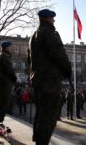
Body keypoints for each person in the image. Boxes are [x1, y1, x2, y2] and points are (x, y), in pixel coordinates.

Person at [28, 9, 72, 145]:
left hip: (39, 79)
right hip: (49, 80)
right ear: (47, 18)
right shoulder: (48, 33)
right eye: (52, 18)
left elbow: (29, 60)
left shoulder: (34, 36)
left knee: (41, 113)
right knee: (49, 115)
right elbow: (58, 53)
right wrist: (67, 70)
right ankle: (42, 142)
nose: (54, 21)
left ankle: (39, 141)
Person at [0, 41, 17, 123]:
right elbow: (9, 69)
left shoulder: (3, 55)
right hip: (5, 83)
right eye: (10, 47)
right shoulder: (4, 56)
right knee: (4, 102)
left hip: (3, 82)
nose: (12, 48)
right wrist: (14, 78)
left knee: (1, 102)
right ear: (6, 47)